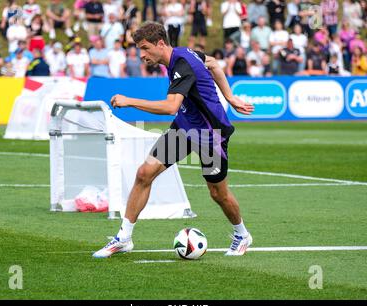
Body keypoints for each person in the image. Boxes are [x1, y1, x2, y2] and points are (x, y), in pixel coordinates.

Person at [92, 22, 254, 259]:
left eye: (145, 48)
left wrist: (129, 101)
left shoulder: (181, 63)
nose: (142, 55)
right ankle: (124, 238)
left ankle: (242, 234)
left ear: (160, 43)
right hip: (185, 127)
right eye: (140, 49)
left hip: (210, 135)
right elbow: (214, 64)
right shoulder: (184, 54)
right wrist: (230, 97)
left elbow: (170, 107)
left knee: (218, 194)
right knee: (144, 173)